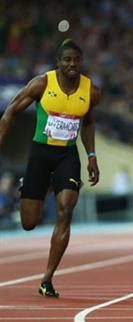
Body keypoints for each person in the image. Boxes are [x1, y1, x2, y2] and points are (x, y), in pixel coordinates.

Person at [0, 39, 100, 297]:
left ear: (82, 62)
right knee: (29, 223)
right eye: (66, 60)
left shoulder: (91, 91)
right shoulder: (42, 83)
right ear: (58, 62)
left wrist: (91, 156)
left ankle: (47, 278)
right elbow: (10, 110)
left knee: (66, 210)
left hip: (67, 154)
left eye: (76, 60)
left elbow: (87, 123)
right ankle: (30, 186)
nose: (72, 64)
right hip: (40, 153)